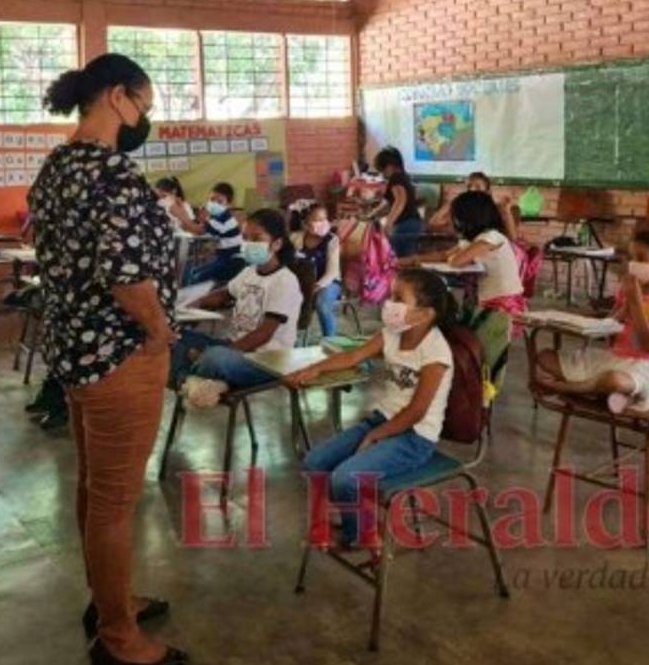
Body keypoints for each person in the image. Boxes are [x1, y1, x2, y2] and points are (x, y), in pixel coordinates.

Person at [28, 53, 187, 665]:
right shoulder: (113, 174)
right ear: (118, 97)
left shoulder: (58, 165)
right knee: (116, 501)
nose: (145, 118)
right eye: (144, 105)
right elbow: (126, 276)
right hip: (121, 355)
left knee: (95, 489)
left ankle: (109, 600)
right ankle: (120, 638)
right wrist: (159, 332)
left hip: (74, 351)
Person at [288, 269, 456, 548]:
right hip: (383, 421)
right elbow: (354, 355)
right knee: (314, 463)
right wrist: (315, 369)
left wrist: (377, 435)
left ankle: (359, 535)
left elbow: (417, 411)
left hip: (414, 437)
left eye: (398, 298)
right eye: (391, 295)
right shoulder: (392, 333)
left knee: (345, 479)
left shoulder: (435, 353)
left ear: (424, 314)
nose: (389, 303)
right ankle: (362, 522)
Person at [170, 208, 312, 407]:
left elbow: (264, 334)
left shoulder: (284, 281)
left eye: (256, 238)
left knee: (215, 358)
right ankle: (194, 382)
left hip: (267, 360)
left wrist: (224, 351)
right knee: (171, 338)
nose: (248, 244)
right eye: (245, 238)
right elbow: (223, 295)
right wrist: (189, 303)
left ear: (277, 244)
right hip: (236, 348)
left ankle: (191, 377)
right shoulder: (249, 272)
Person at [534, 230, 649, 414]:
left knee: (614, 380)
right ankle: (615, 396)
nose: (633, 263)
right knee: (545, 357)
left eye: (641, 258)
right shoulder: (627, 289)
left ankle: (568, 388)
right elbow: (609, 326)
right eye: (631, 257)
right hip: (613, 359)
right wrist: (587, 324)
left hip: (645, 367)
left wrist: (636, 302)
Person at [403, 190, 523, 316]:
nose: (452, 221)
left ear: (467, 217)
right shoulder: (474, 240)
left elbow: (456, 261)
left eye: (454, 216)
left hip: (503, 302)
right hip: (491, 298)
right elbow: (444, 255)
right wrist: (411, 260)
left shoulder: (491, 236)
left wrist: (454, 257)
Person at [176, 181, 244, 286]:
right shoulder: (216, 216)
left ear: (229, 204)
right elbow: (195, 229)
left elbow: (198, 230)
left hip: (231, 262)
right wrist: (186, 216)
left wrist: (180, 214)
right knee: (193, 272)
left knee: (197, 277)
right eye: (212, 199)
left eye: (220, 202)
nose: (214, 204)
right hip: (222, 257)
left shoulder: (224, 219)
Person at [293, 202, 343, 338]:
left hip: (328, 283)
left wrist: (316, 286)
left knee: (322, 304)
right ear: (305, 223)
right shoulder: (296, 238)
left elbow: (332, 272)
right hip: (304, 282)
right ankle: (290, 339)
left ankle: (330, 341)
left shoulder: (332, 240)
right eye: (317, 220)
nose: (323, 223)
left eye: (324, 219)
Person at [427, 171, 519, 242]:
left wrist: (506, 211)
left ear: (487, 192)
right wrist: (452, 202)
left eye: (478, 187)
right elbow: (433, 223)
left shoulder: (498, 209)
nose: (472, 190)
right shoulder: (463, 210)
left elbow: (513, 238)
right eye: (469, 187)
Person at [374, 146, 424, 258]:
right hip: (413, 223)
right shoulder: (403, 177)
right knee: (408, 260)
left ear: (389, 166)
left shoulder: (395, 178)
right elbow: (387, 203)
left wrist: (388, 223)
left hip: (405, 225)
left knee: (399, 261)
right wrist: (372, 214)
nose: (383, 174)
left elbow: (400, 200)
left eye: (382, 170)